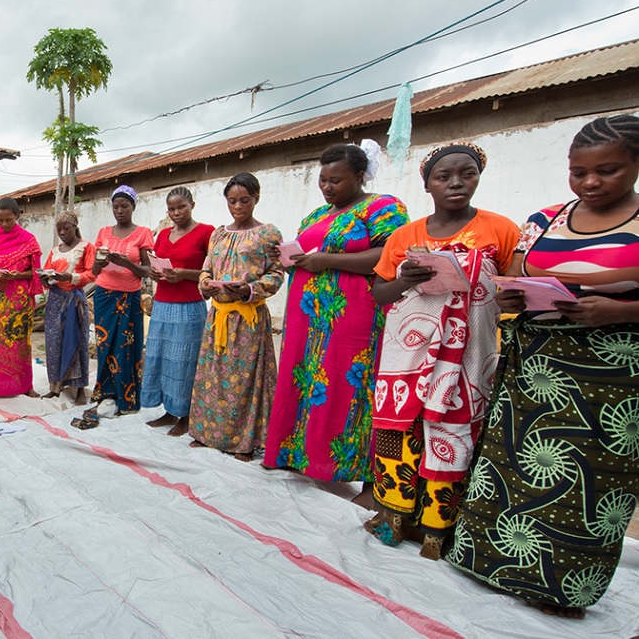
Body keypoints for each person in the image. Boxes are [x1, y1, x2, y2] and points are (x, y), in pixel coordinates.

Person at [446, 116, 639, 619]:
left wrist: (621, 310)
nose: (590, 182)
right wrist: (511, 294)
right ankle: (484, 559)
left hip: (611, 373)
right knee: (510, 462)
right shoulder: (547, 218)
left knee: (589, 476)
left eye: (608, 170)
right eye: (579, 172)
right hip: (535, 360)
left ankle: (561, 587)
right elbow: (515, 275)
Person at [364, 143, 518, 559]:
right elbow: (379, 293)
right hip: (406, 355)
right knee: (398, 432)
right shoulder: (406, 235)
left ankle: (437, 529)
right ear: (427, 183)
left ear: (477, 177)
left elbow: (513, 288)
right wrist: (405, 280)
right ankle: (393, 516)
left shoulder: (501, 230)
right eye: (442, 176)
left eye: (465, 174)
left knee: (453, 433)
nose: (455, 183)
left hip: (470, 353)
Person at [263, 142, 408, 506]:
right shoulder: (317, 215)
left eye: (336, 181)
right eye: (323, 180)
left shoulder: (383, 207)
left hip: (352, 315)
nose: (327, 187)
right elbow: (307, 254)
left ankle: (353, 472)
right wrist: (288, 259)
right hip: (306, 314)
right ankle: (299, 456)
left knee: (349, 386)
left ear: (360, 176)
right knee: (304, 377)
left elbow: (390, 254)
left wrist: (327, 259)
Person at [189, 174, 285, 460]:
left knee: (244, 382)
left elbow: (277, 273)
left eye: (245, 200)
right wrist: (205, 283)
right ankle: (207, 433)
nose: (238, 206)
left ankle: (244, 442)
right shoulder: (219, 234)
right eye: (232, 201)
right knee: (213, 378)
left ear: (256, 198)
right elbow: (207, 267)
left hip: (248, 320)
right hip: (218, 317)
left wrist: (250, 289)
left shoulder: (268, 234)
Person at [142, 187, 215, 435]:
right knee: (162, 359)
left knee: (186, 361)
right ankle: (170, 411)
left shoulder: (207, 232)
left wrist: (184, 274)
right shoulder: (162, 235)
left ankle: (187, 415)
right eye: (171, 209)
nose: (176, 213)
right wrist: (154, 273)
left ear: (192, 204)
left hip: (189, 307)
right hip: (162, 305)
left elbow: (213, 271)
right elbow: (156, 263)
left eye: (181, 207)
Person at [90, 185, 154, 415]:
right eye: (116, 206)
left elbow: (147, 270)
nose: (119, 210)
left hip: (130, 297)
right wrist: (102, 262)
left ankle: (126, 398)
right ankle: (106, 393)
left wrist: (127, 263)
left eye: (124, 206)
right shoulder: (103, 233)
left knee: (126, 347)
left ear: (133, 207)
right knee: (104, 345)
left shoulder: (143, 233)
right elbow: (94, 270)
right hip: (104, 296)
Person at [0, 198, 43, 397]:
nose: (4, 225)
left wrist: (17, 275)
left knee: (19, 343)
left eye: (9, 220)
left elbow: (36, 273)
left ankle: (24, 387)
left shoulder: (28, 240)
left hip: (18, 301)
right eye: (0, 220)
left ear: (17, 216)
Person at [41, 210, 95, 403]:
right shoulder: (55, 251)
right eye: (59, 229)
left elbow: (91, 274)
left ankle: (80, 389)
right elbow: (47, 271)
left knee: (77, 342)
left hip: (74, 299)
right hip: (55, 299)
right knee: (54, 343)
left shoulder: (86, 247)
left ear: (75, 227)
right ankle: (55, 386)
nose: (63, 232)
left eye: (67, 228)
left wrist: (71, 277)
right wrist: (46, 280)